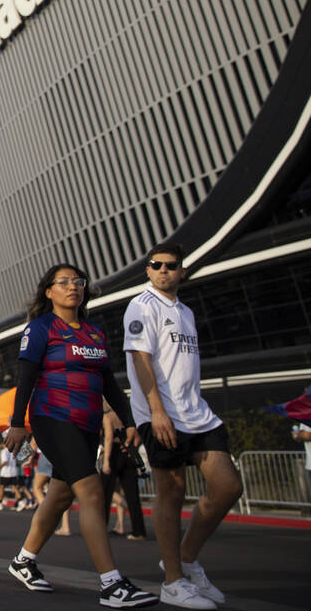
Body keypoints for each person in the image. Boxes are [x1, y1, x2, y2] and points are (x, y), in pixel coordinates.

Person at [4, 263, 157, 608]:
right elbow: (26, 377)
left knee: (59, 496)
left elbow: (108, 384)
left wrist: (129, 421)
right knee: (90, 491)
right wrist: (18, 423)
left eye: (78, 282)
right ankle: (112, 585)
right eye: (64, 282)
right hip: (52, 418)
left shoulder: (94, 332)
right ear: (49, 291)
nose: (73, 287)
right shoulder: (41, 328)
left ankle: (23, 561)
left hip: (87, 423)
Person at [125, 244, 242, 609]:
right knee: (171, 493)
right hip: (162, 415)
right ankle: (173, 581)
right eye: (155, 265)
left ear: (182, 272)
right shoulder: (142, 305)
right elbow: (141, 360)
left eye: (170, 266)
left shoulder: (186, 312)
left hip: (198, 414)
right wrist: (157, 411)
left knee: (228, 486)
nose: (163, 271)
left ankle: (186, 558)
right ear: (148, 270)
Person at [101, 400, 145, 540]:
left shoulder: (108, 417)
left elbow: (108, 438)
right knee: (132, 495)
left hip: (113, 453)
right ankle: (138, 531)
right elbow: (137, 438)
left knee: (105, 494)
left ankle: (101, 528)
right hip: (127, 453)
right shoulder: (127, 417)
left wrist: (106, 462)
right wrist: (130, 447)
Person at [32, 449, 71, 536]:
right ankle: (65, 527)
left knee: (37, 487)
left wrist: (29, 459)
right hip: (65, 454)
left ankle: (48, 515)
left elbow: (33, 444)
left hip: (48, 453)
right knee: (64, 492)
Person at [0, 444, 27, 511]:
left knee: (2, 487)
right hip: (13, 472)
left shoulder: (4, 451)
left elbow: (5, 462)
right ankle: (21, 501)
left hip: (6, 473)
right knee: (14, 487)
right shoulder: (13, 451)